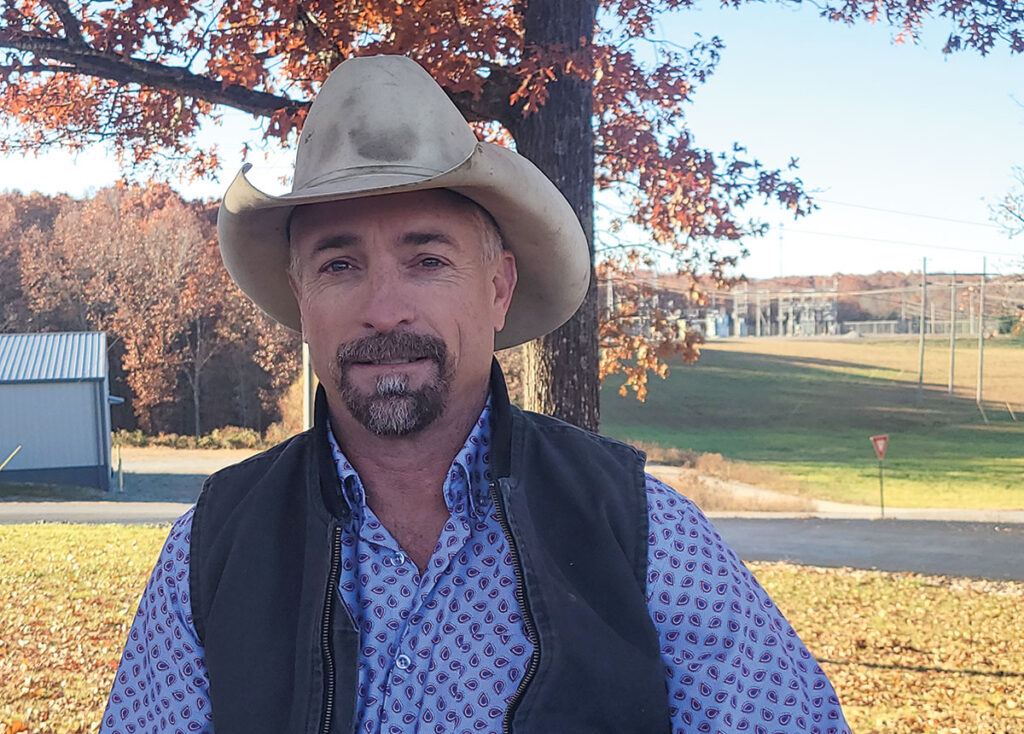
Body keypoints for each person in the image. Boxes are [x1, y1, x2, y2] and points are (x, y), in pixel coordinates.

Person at [101, 55, 849, 734]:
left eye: (426, 259)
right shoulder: (211, 553)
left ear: (497, 289)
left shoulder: (641, 537)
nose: (384, 308)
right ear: (301, 302)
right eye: (339, 266)